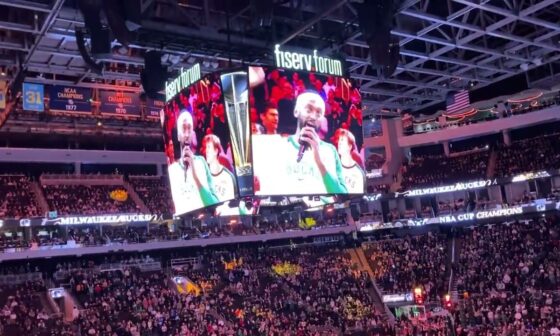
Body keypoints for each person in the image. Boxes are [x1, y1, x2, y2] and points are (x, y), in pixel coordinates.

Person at [253, 91, 347, 195]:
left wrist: (319, 161)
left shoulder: (330, 151)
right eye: (308, 110)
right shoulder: (278, 147)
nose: (313, 116)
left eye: (319, 113)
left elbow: (342, 195)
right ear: (296, 111)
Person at [168, 112, 219, 215]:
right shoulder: (172, 170)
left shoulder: (201, 162)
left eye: (189, 128)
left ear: (193, 134)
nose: (186, 134)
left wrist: (194, 173)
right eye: (183, 128)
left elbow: (214, 203)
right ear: (178, 135)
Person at [201, 134, 236, 203]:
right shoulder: (203, 176)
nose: (206, 151)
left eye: (209, 147)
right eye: (205, 148)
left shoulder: (228, 177)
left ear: (216, 151)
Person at [332, 128, 365, 194]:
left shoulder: (355, 159)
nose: (339, 143)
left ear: (349, 146)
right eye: (339, 140)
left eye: (342, 140)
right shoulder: (335, 165)